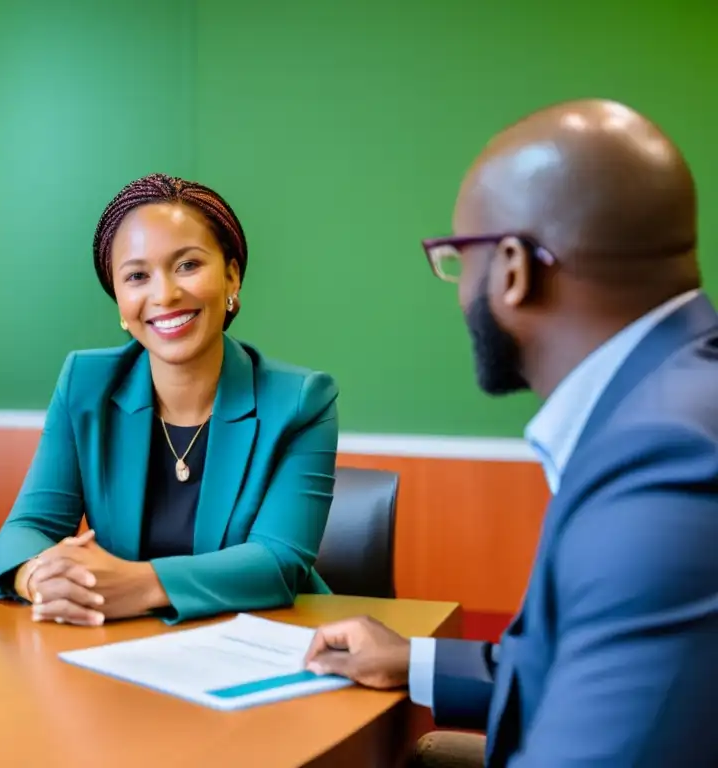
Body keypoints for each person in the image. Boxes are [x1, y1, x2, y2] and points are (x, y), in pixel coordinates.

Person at [304, 99, 718, 766]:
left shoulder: (668, 465)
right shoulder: (673, 397)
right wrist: (415, 660)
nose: (461, 288)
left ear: (513, 269)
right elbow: (588, 655)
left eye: (458, 259)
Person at [0, 173, 339, 625]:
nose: (165, 294)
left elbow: (277, 562)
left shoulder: (300, 400)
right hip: (120, 645)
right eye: (137, 276)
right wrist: (38, 578)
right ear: (118, 299)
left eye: (188, 265)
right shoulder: (86, 383)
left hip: (264, 639)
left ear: (232, 276)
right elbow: (27, 528)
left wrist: (138, 585)